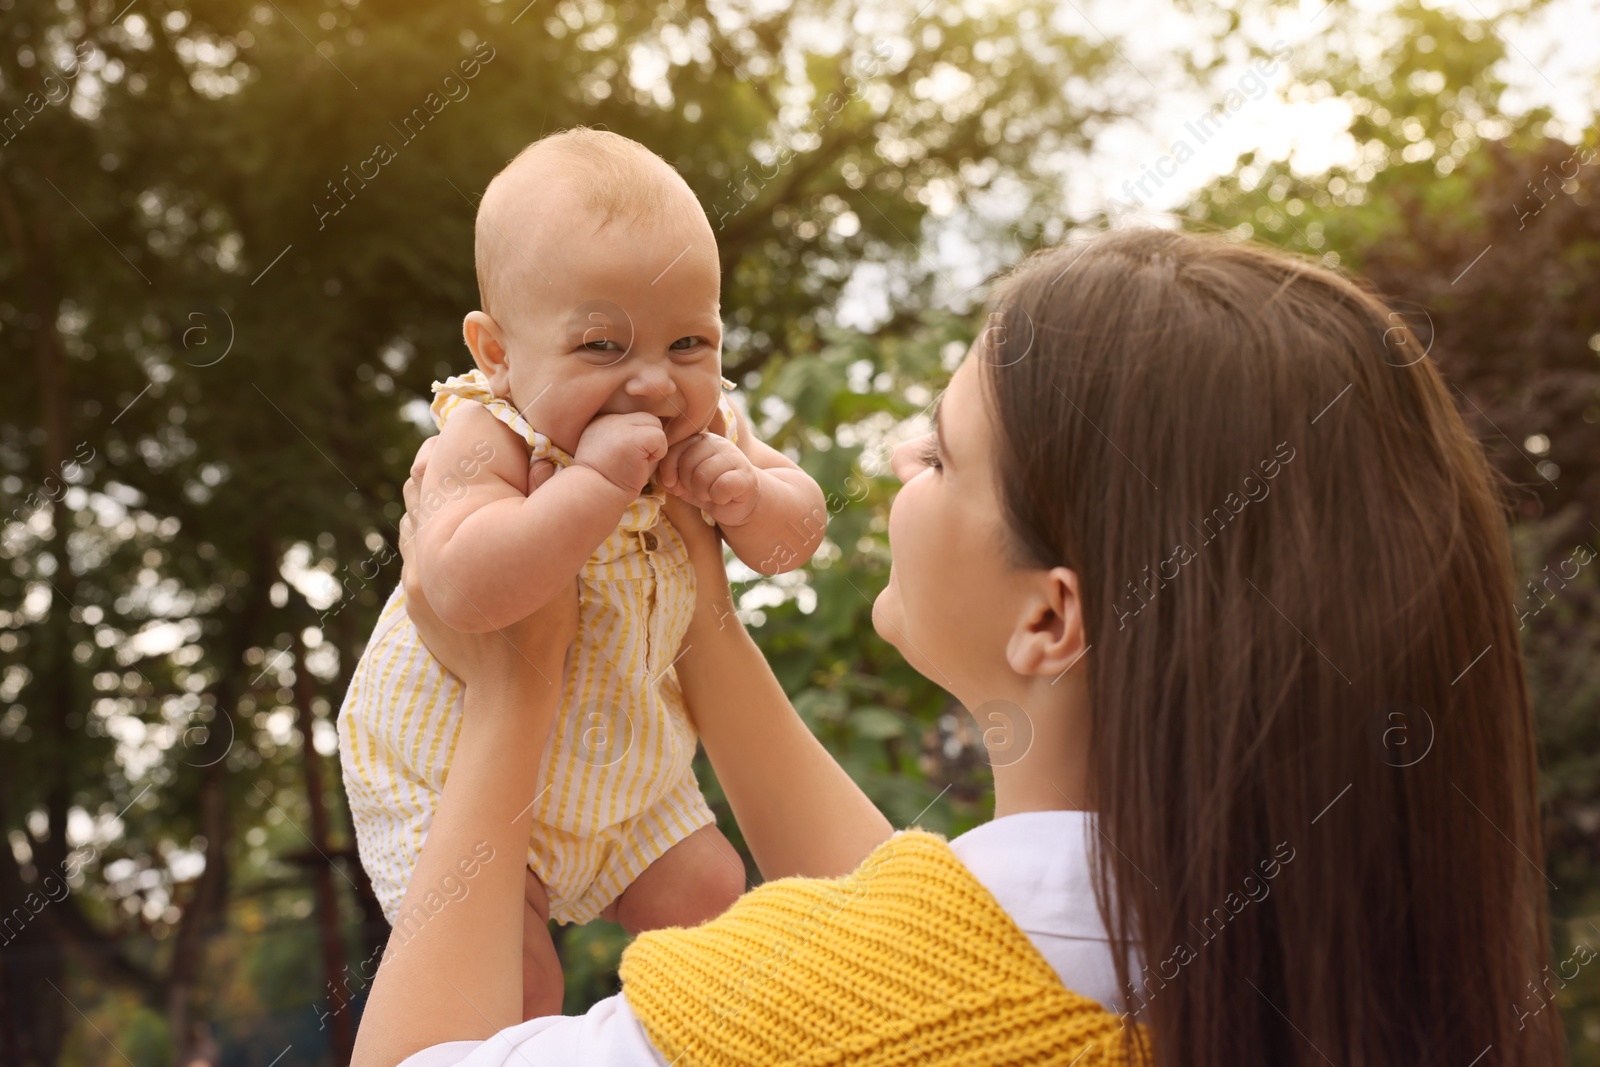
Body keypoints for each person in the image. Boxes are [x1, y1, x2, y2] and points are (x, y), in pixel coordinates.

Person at [350, 226, 1567, 1066]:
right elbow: (925, 933)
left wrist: (518, 686)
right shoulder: (1288, 962)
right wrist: (695, 610)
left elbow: (876, 983)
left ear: (1048, 617)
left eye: (936, 453)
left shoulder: (816, 1014)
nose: (891, 465)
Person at [337, 128, 828, 1019]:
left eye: (689, 341)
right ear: (497, 352)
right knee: (518, 985)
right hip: (453, 771)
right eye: (603, 347)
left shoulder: (711, 423)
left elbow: (796, 540)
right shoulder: (487, 434)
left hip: (620, 765)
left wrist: (751, 492)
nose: (653, 384)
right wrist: (594, 488)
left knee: (716, 893)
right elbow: (457, 586)